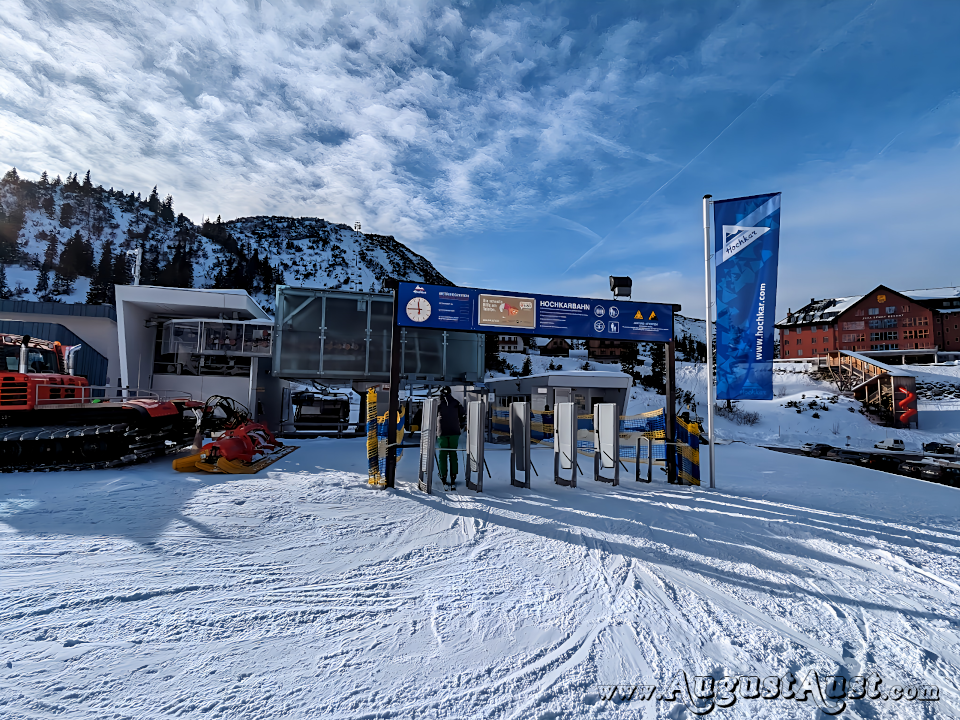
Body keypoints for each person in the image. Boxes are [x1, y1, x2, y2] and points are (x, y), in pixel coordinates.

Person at [436, 386, 466, 489]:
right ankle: (453, 475)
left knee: (443, 454)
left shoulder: (437, 403)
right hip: (454, 431)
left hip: (442, 431)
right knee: (453, 453)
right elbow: (463, 415)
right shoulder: (456, 402)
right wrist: (460, 426)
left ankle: (443, 475)